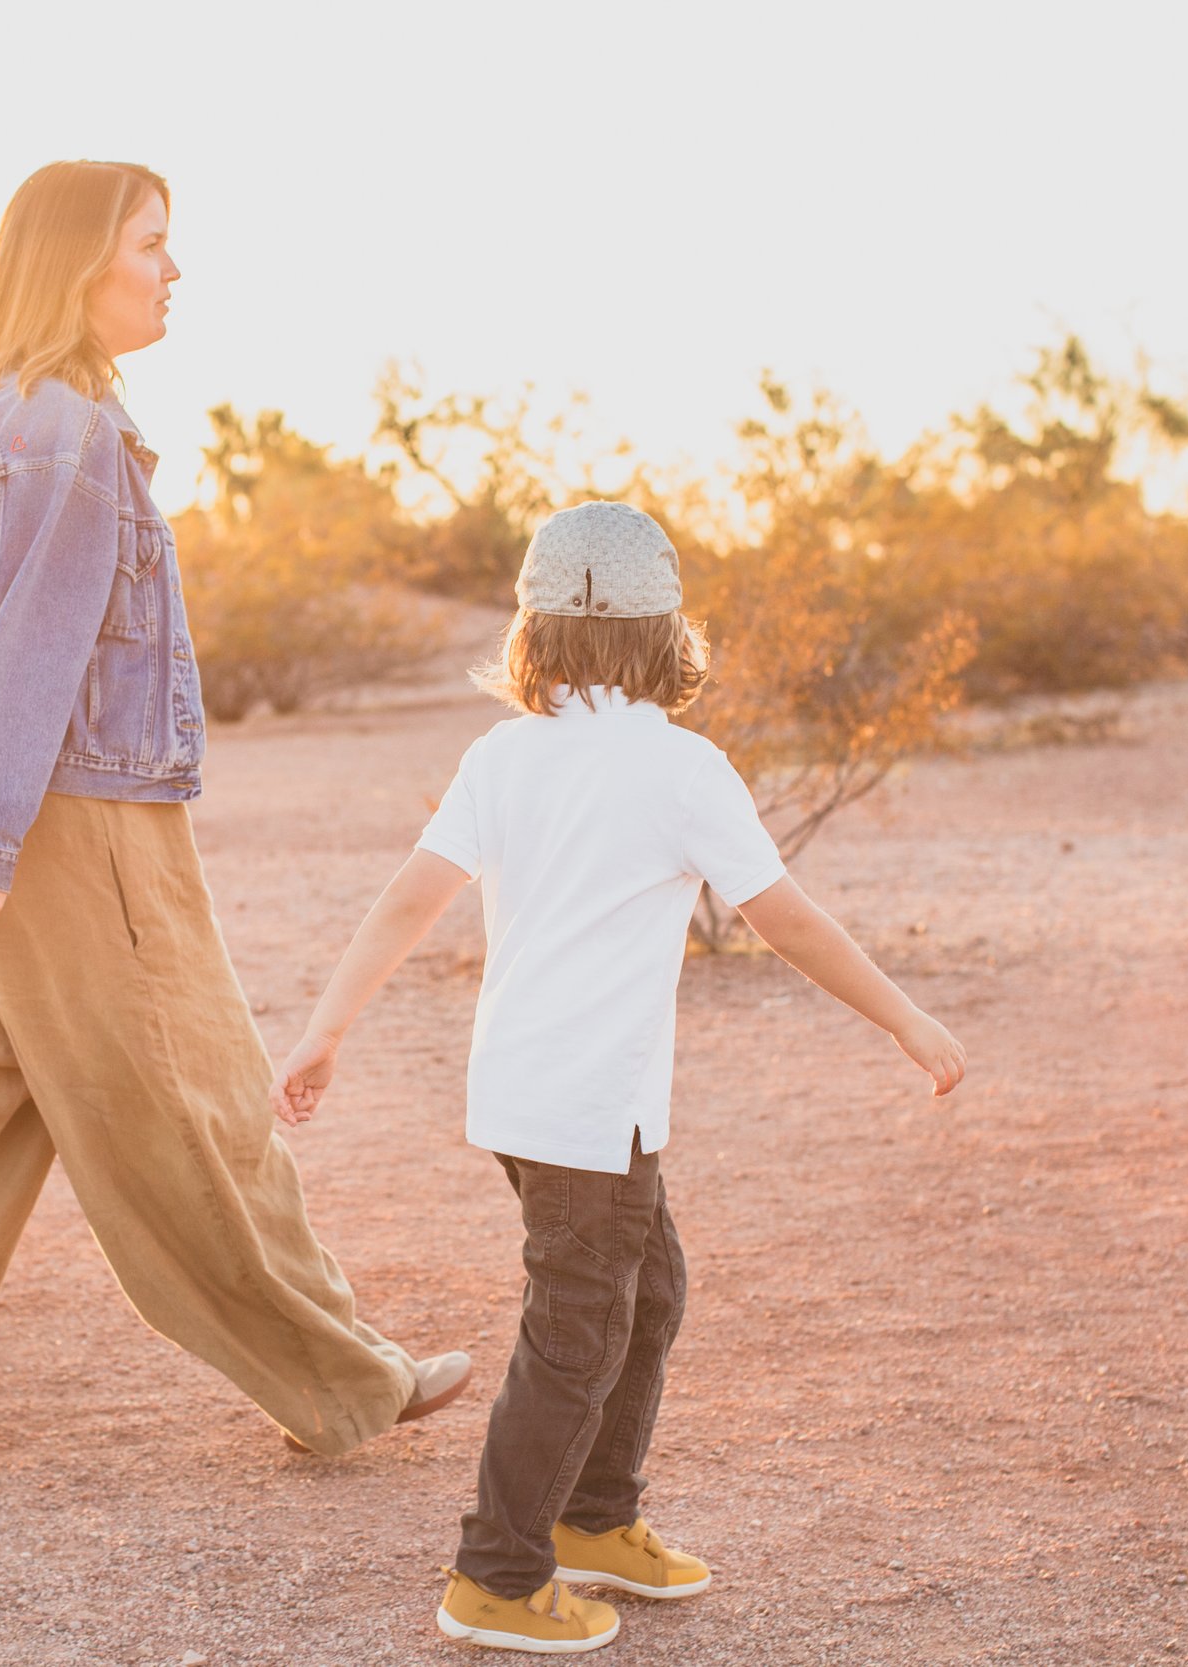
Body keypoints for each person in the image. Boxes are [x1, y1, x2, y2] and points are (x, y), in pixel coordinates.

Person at [0, 160, 469, 1480]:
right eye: (150, 246)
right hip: (54, 816)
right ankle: (342, 1376)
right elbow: (29, 649)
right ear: (76, 267)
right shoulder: (72, 437)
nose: (171, 271)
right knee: (186, 1093)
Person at [268, 501, 968, 1653]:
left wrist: (325, 1028)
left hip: (551, 1097)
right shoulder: (682, 766)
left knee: (647, 1290)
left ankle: (593, 1518)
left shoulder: (502, 753)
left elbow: (407, 896)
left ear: (531, 633)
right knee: (581, 1326)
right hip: (585, 1102)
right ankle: (495, 1573)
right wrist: (906, 1017)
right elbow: (783, 917)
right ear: (667, 635)